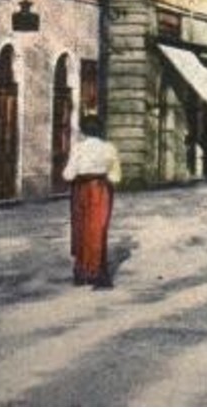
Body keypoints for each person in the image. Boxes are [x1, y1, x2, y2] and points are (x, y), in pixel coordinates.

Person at [62, 115, 121, 289]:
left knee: (81, 228)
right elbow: (115, 176)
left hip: (81, 190)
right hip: (101, 190)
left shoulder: (78, 148)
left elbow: (68, 174)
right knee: (98, 228)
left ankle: (82, 271)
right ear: (101, 130)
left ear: (84, 131)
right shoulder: (109, 148)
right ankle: (98, 272)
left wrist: (74, 175)